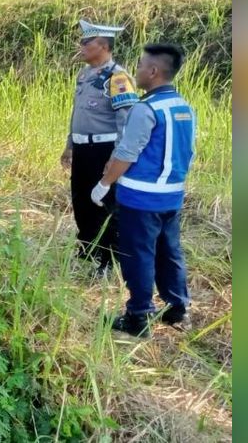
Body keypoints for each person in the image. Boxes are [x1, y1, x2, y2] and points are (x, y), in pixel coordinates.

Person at [93, 43, 196, 337]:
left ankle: (138, 316)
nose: (136, 71)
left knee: (138, 255)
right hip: (172, 195)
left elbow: (126, 153)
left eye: (140, 66)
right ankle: (178, 308)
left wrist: (104, 184)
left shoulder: (145, 108)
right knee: (170, 251)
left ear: (153, 71)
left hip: (141, 198)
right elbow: (188, 152)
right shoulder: (183, 107)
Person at [61, 20, 139, 274]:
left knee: (105, 204)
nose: (81, 46)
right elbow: (77, 114)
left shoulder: (118, 77)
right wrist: (70, 145)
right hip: (83, 148)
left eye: (87, 42)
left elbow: (126, 120)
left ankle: (108, 260)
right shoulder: (84, 75)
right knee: (81, 200)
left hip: (105, 149)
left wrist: (117, 156)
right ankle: (88, 252)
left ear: (103, 46)